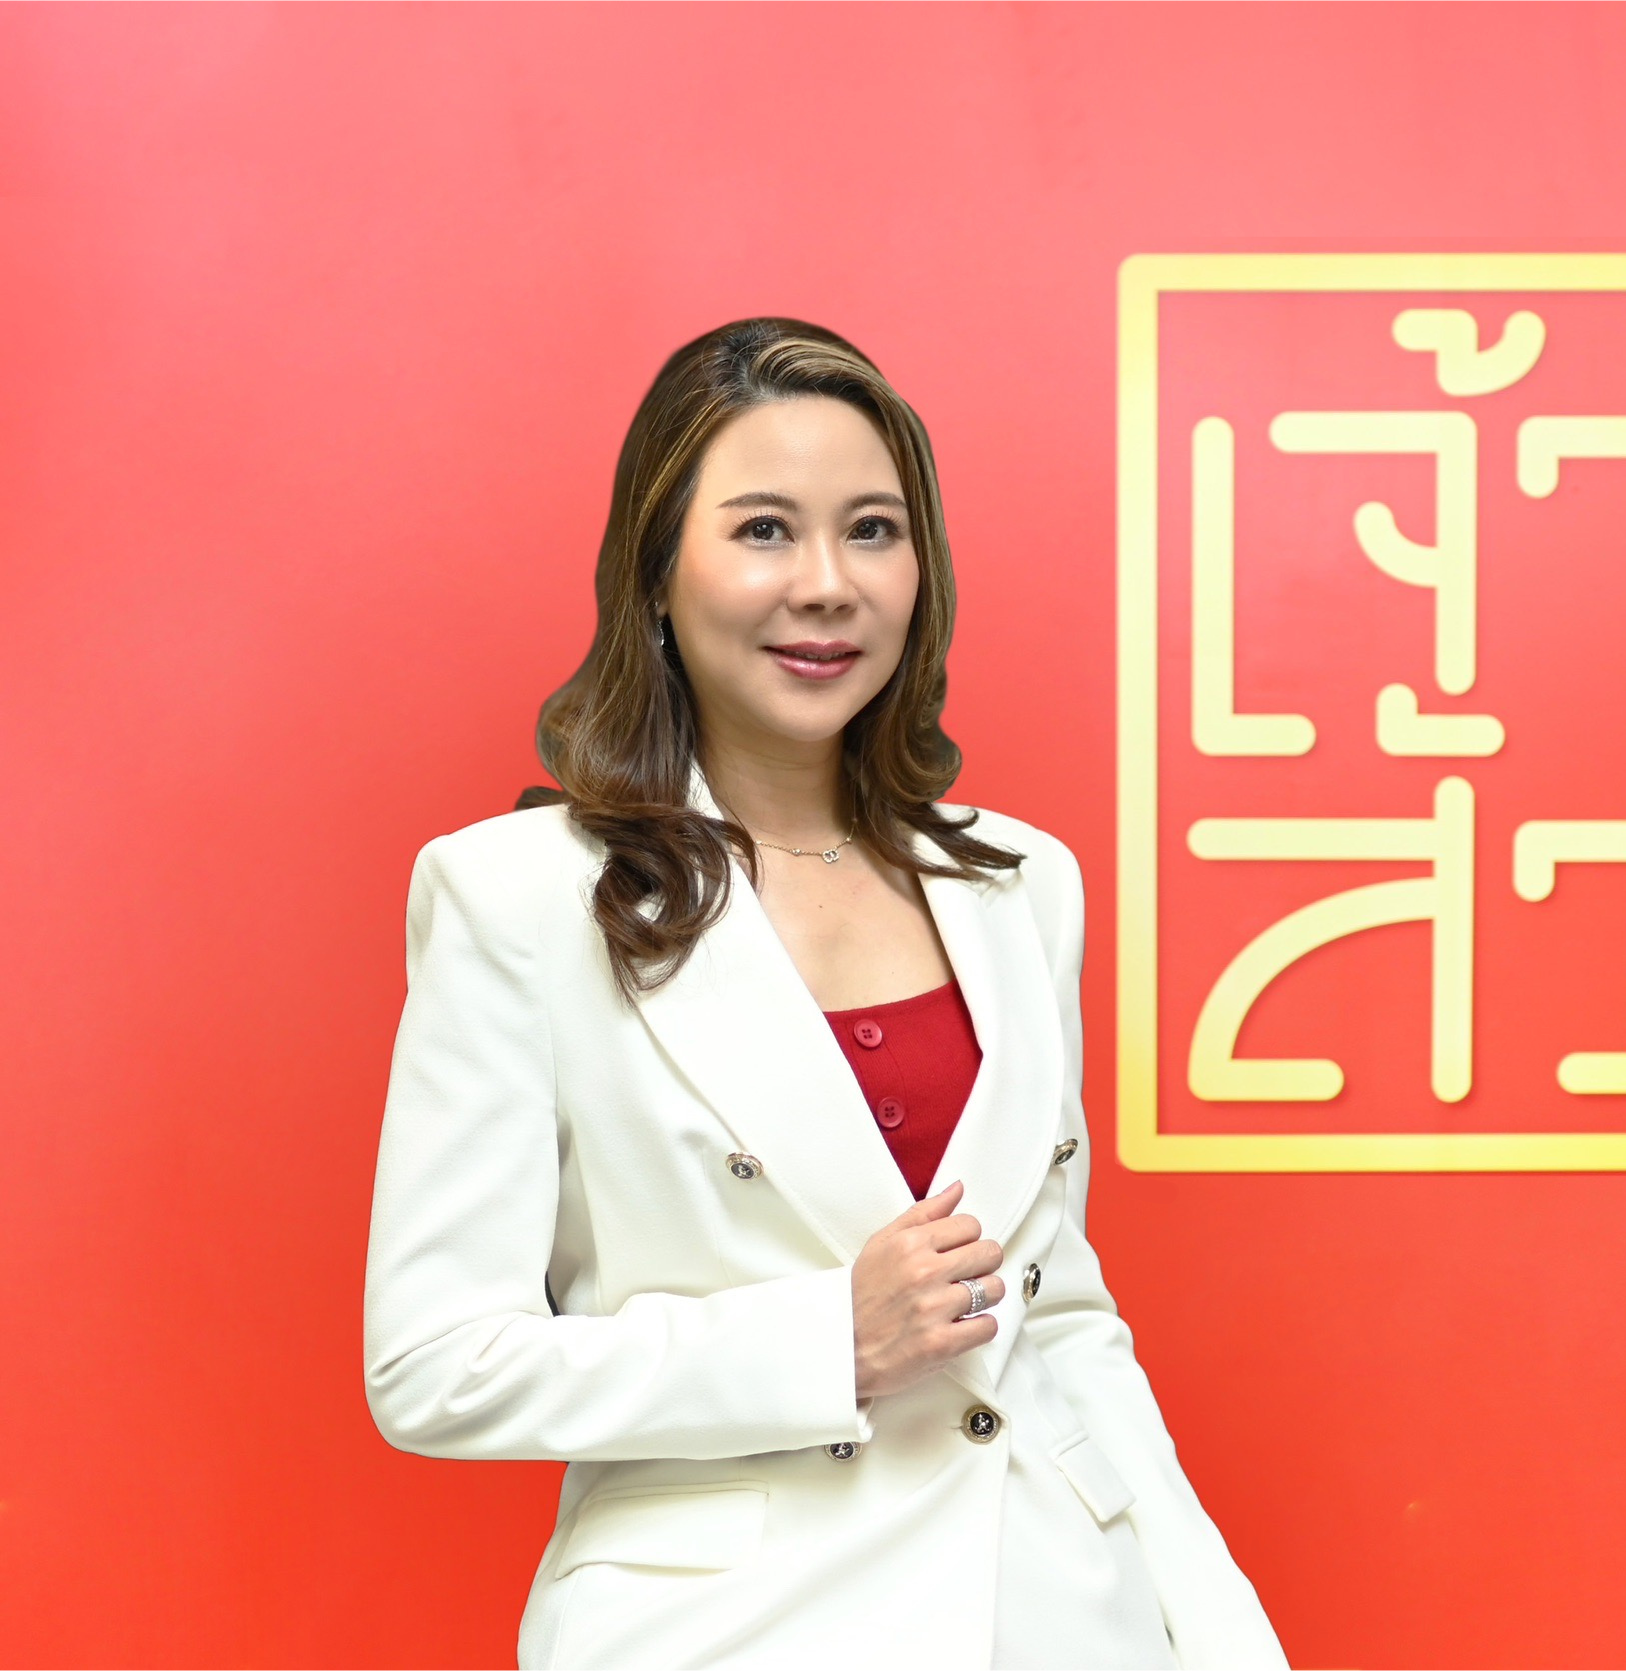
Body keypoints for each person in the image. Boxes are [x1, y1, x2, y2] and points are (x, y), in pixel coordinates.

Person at [362, 318, 1286, 1670]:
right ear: (655, 572)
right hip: (728, 1631)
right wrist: (820, 1341)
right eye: (762, 531)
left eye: (872, 531)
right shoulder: (521, 897)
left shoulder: (1022, 882)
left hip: (1056, 1615)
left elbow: (1060, 1313)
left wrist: (1220, 1635)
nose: (828, 585)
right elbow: (434, 1364)